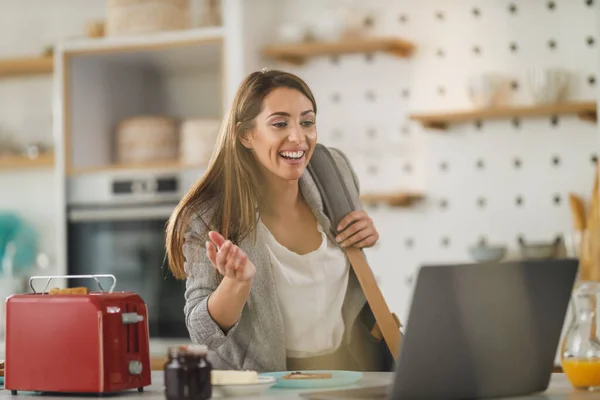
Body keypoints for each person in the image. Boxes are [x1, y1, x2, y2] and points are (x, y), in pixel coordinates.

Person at [165, 69, 397, 373]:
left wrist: (364, 234)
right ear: (245, 134)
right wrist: (236, 284)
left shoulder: (333, 169)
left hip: (344, 375)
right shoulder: (209, 215)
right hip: (263, 386)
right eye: (280, 123)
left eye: (307, 122)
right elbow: (202, 332)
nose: (298, 137)